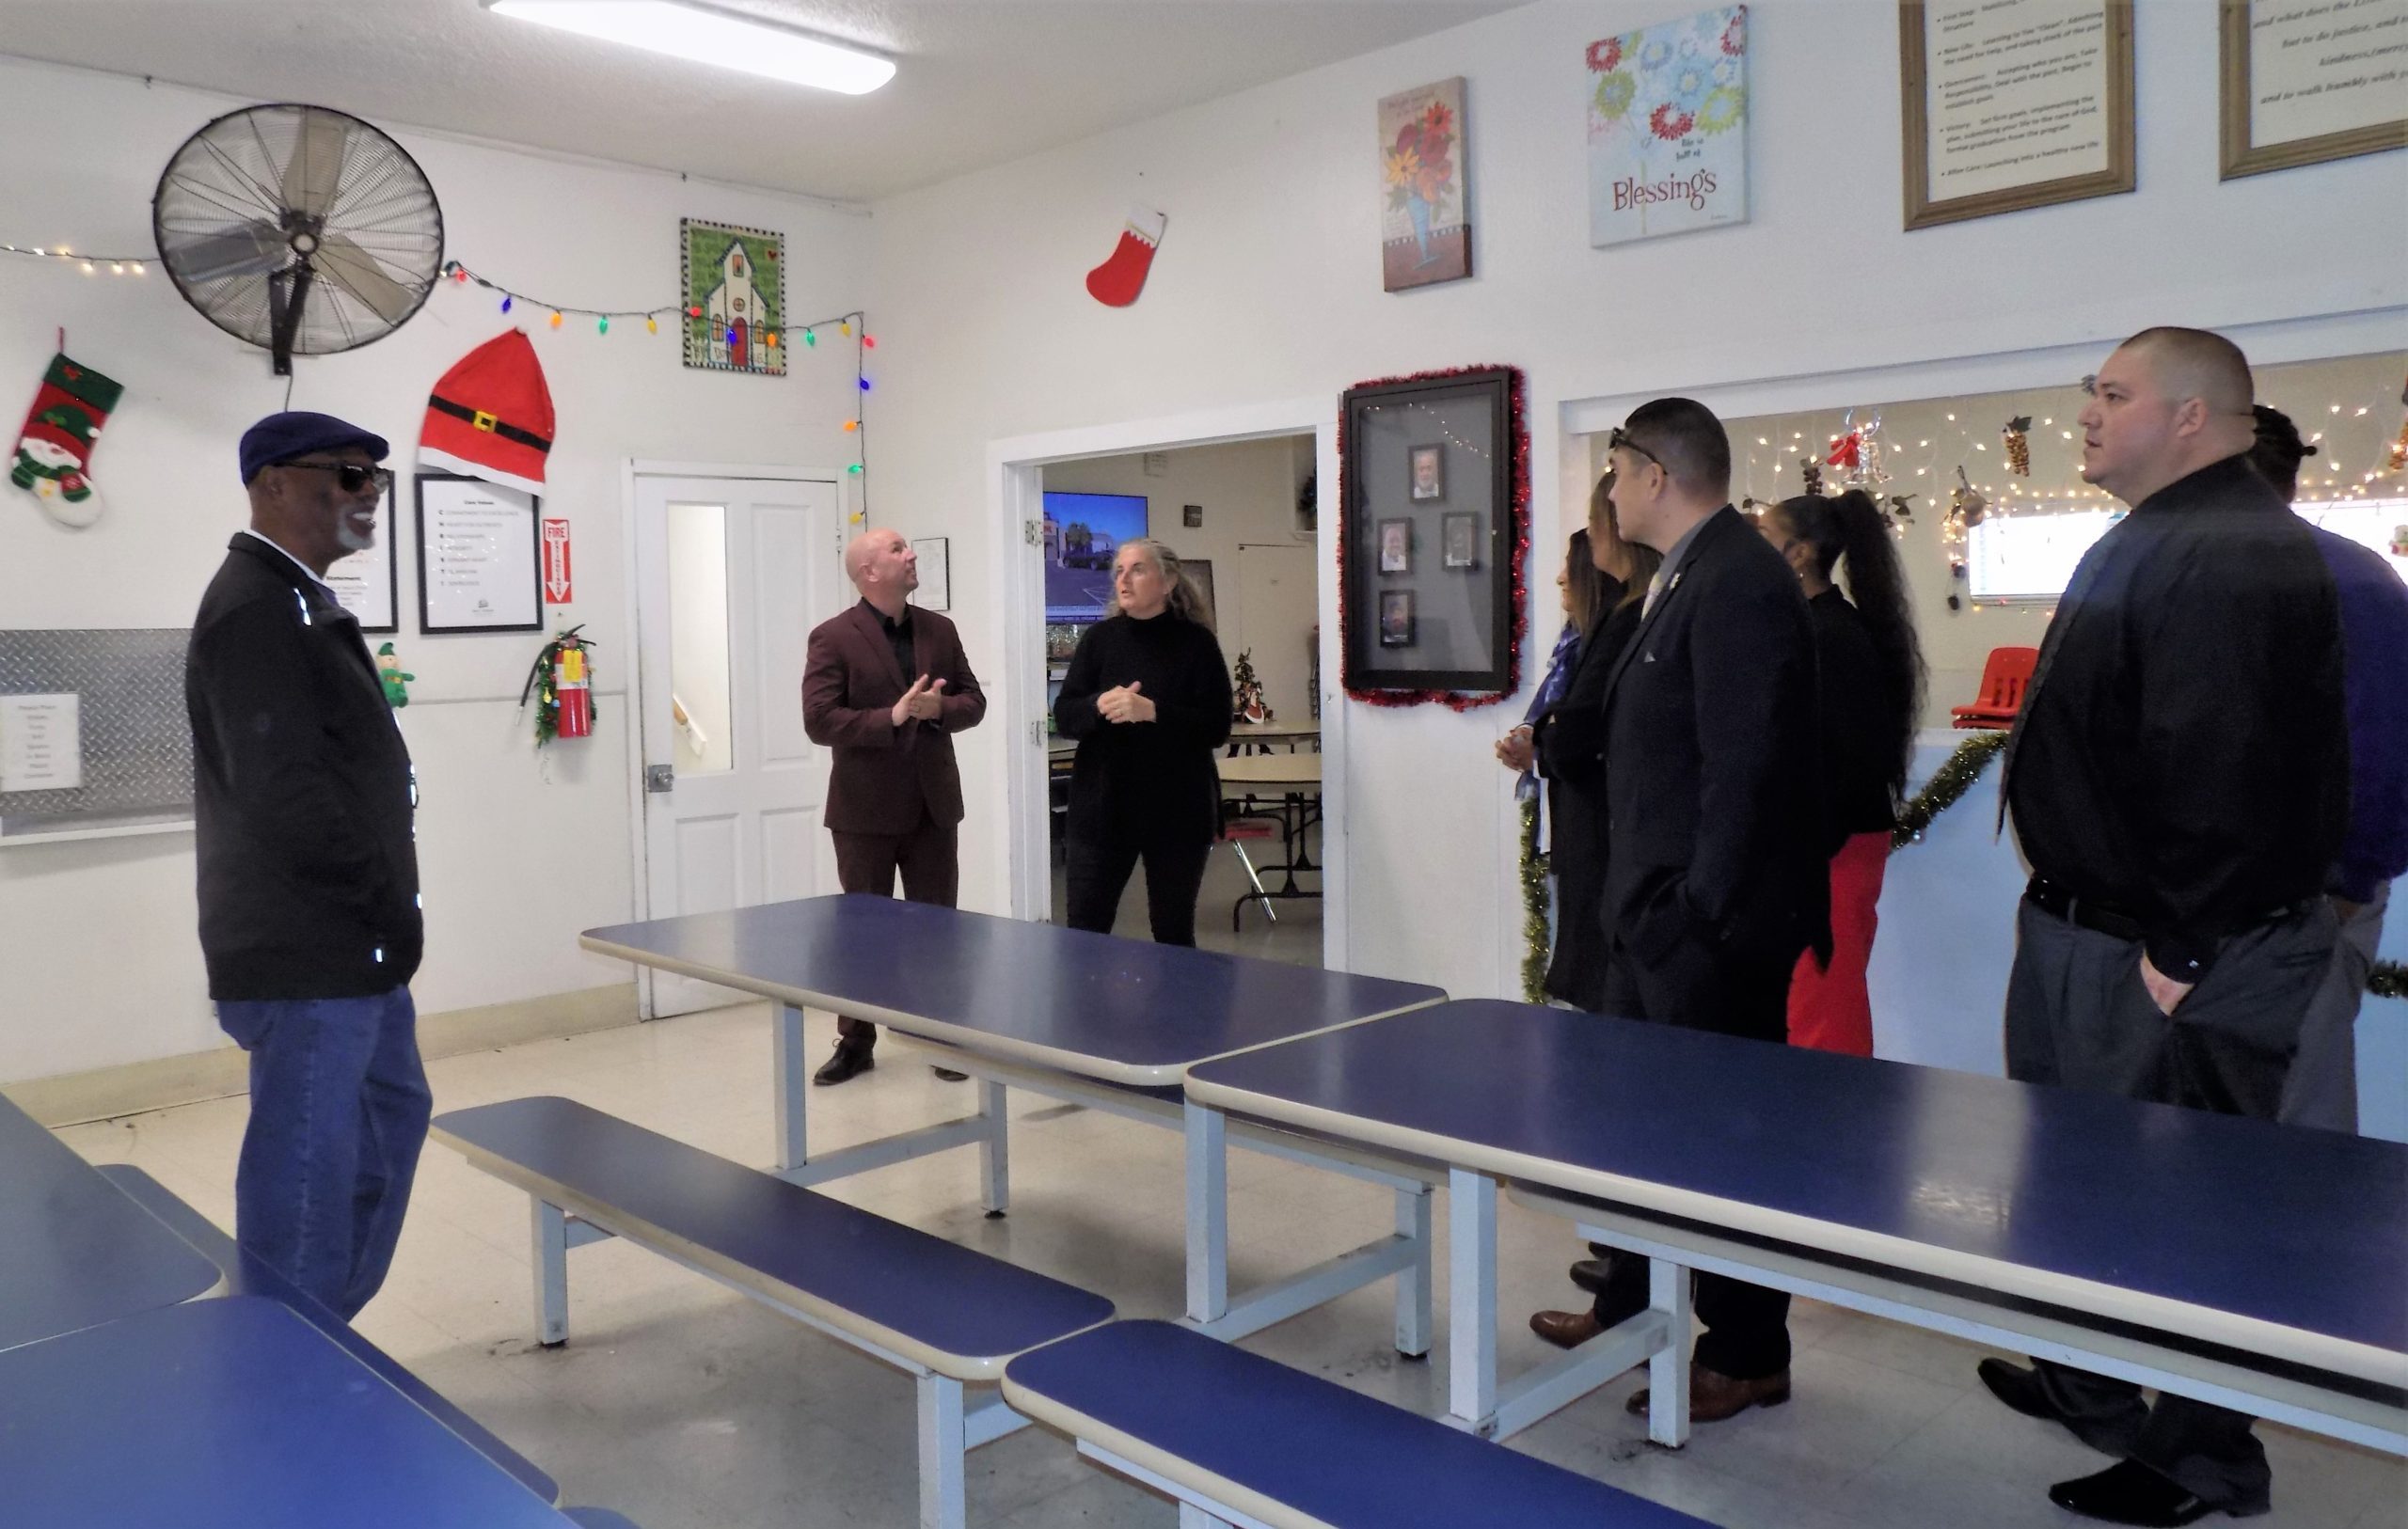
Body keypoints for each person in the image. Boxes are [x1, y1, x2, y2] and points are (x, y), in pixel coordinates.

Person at [1981, 330, 2349, 1527]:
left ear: (2190, 417)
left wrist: (2181, 951)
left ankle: (2201, 1460)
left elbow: (2223, 765)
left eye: (2112, 394)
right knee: (2082, 1191)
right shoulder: (2170, 533)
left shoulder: (2227, 549)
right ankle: (2092, 1392)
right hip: (2100, 934)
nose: (2086, 412)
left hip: (2169, 952)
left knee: (2194, 1215)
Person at [1527, 399, 1826, 1427]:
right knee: (1650, 1141)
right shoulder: (1681, 576)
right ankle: (1634, 1306)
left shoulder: (1737, 581)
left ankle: (1746, 1352)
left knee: (1723, 1150)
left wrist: (1692, 912)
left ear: (1653, 473)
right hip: (1652, 917)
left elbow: (1746, 770)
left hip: (1707, 933)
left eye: (1614, 471)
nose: (1607, 493)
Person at [187, 411, 427, 1319]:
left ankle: (321, 1338)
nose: (369, 495)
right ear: (275, 485)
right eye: (351, 474)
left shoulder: (296, 599)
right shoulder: (256, 607)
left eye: (376, 478)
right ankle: (285, 1371)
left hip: (356, 948)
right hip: (312, 951)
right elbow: (284, 796)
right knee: (307, 1167)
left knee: (387, 1117)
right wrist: (373, 895)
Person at [2250, 406, 2408, 1132]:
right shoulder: (2189, 571)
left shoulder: (2347, 581)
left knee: (2296, 1122)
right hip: (2215, 906)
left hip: (2305, 902)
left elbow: (2386, 750)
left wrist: (2344, 888)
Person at [800, 528, 988, 1085]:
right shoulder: (833, 637)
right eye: (897, 550)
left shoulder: (940, 629)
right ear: (869, 573)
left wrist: (937, 708)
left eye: (909, 547)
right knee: (864, 934)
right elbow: (819, 721)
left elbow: (974, 701)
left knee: (938, 928)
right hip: (865, 812)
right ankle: (856, 1042)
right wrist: (893, 718)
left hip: (934, 806)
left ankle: (943, 1036)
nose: (911, 555)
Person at [1758, 489, 1926, 1056]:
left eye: (1763, 537)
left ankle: (1835, 1127)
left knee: (1824, 1007)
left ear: (1798, 552)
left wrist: (1800, 850)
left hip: (1833, 848)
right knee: (1805, 1003)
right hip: (1821, 845)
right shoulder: (1809, 626)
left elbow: (1844, 763)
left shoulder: (1831, 636)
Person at [1054, 538, 1233, 945]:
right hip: (1102, 809)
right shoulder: (1100, 639)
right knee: (1085, 930)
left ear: (1168, 580)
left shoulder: (1196, 643)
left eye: (1137, 569)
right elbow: (1065, 714)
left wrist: (1152, 712)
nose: (1124, 579)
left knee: (1172, 932)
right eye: (1118, 571)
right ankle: (1081, 1010)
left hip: (1176, 811)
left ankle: (1180, 1010)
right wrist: (1099, 704)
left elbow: (1217, 726)